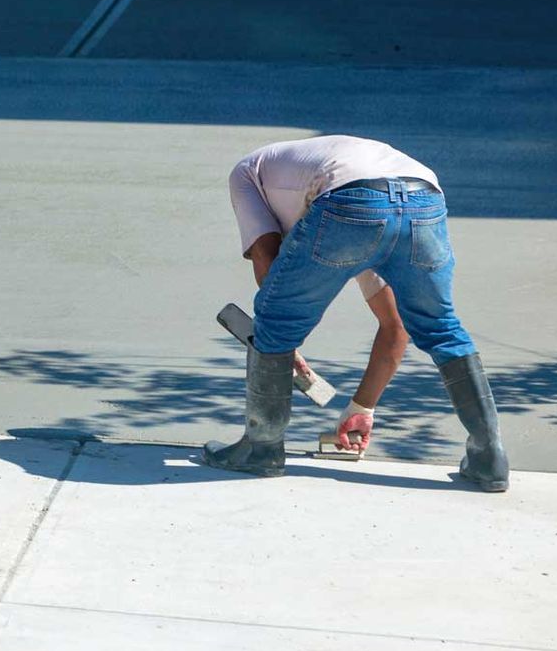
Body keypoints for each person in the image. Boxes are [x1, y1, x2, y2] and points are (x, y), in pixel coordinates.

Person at [202, 135, 509, 491]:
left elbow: (267, 262)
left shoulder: (247, 174)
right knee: (441, 327)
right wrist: (362, 407)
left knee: (275, 321)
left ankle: (261, 447)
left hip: (349, 200)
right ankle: (489, 456)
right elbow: (396, 328)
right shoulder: (340, 207)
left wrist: (280, 346)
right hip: (423, 197)